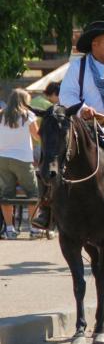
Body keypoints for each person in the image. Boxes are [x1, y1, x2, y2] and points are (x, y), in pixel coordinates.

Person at [32, 22, 104, 231]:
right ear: (94, 44)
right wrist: (83, 110)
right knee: (54, 153)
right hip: (84, 127)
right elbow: (67, 95)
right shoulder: (77, 68)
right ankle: (47, 206)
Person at [0, 89, 41, 240]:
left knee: (6, 195)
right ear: (25, 101)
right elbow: (37, 137)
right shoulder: (28, 115)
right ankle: (34, 228)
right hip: (22, 159)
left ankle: (9, 229)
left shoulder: (1, 114)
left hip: (2, 158)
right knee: (33, 193)